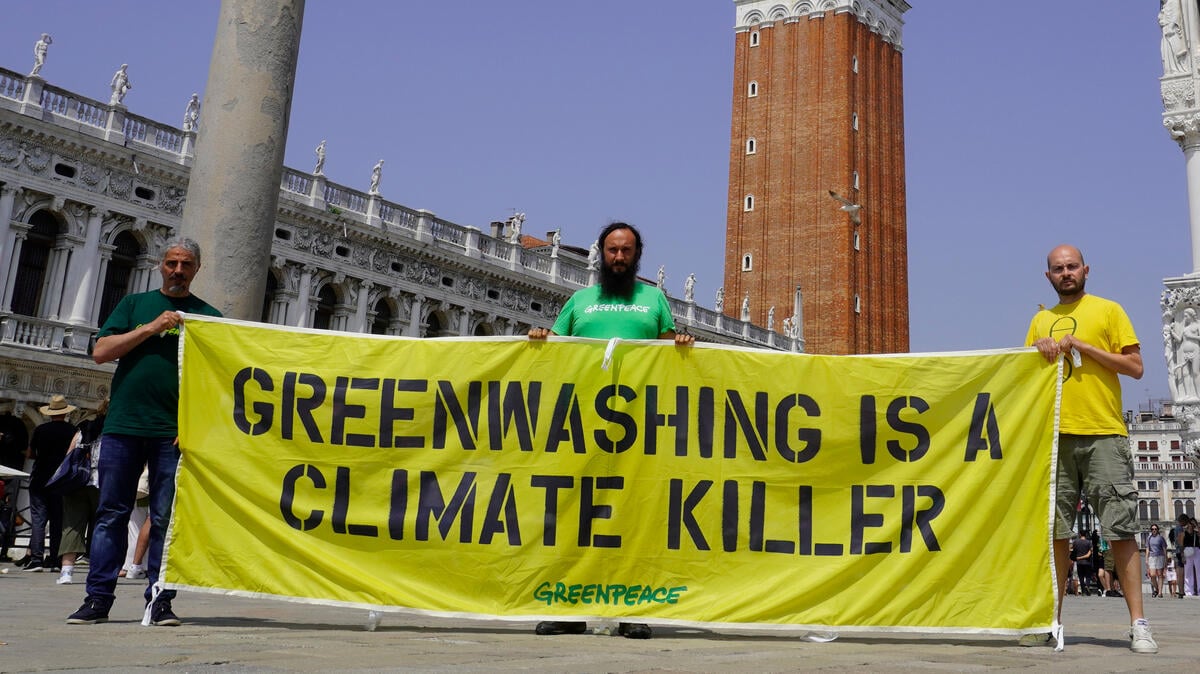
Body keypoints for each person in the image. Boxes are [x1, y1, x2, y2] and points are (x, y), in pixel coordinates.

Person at [529, 222, 694, 640]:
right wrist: (540, 337)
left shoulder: (654, 299)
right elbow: (554, 347)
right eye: (612, 250)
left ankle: (633, 607)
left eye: (626, 251)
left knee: (635, 516)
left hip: (639, 427)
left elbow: (670, 353)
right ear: (601, 254)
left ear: (637, 255)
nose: (618, 257)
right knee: (574, 514)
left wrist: (682, 344)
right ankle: (569, 608)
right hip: (581, 424)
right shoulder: (580, 301)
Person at [67, 238, 221, 627]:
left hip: (173, 433)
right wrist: (152, 328)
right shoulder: (135, 305)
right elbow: (102, 352)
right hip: (123, 426)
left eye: (186, 264)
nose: (178, 270)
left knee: (166, 520)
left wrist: (194, 425)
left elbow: (215, 380)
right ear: (160, 265)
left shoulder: (208, 316)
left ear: (197, 269)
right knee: (110, 513)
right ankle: (97, 599)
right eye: (172, 262)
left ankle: (161, 601)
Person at [1022, 244, 1155, 653]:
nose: (1066, 273)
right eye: (1058, 268)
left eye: (1072, 266)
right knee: (1054, 533)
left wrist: (1085, 348)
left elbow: (1135, 367)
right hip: (1054, 438)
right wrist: (1038, 351)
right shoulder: (1040, 320)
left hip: (1103, 434)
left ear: (1086, 270)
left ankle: (1139, 623)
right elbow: (1021, 376)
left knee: (1120, 529)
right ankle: (1052, 622)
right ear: (1048, 276)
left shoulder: (1109, 310)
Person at [24, 394, 77, 572]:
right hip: (61, 480)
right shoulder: (72, 431)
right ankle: (55, 559)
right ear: (65, 413)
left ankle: (36, 559)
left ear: (50, 413)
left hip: (40, 478)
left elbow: (30, 454)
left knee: (38, 520)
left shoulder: (41, 430)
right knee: (58, 521)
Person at [58, 400, 106, 585]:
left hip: (77, 482)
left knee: (72, 525)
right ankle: (96, 571)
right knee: (102, 526)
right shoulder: (114, 431)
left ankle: (66, 571)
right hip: (102, 482)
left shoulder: (83, 428)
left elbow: (69, 455)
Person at [1146, 524, 1168, 598]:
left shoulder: (1161, 538)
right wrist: (1146, 559)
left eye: (1155, 529)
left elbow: (1164, 549)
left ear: (1157, 530)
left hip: (1160, 556)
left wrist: (1165, 559)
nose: (1154, 530)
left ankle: (1160, 593)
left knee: (1160, 574)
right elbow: (1147, 549)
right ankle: (1157, 589)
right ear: (1151, 530)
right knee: (1152, 575)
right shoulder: (1149, 538)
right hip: (1152, 557)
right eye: (1152, 529)